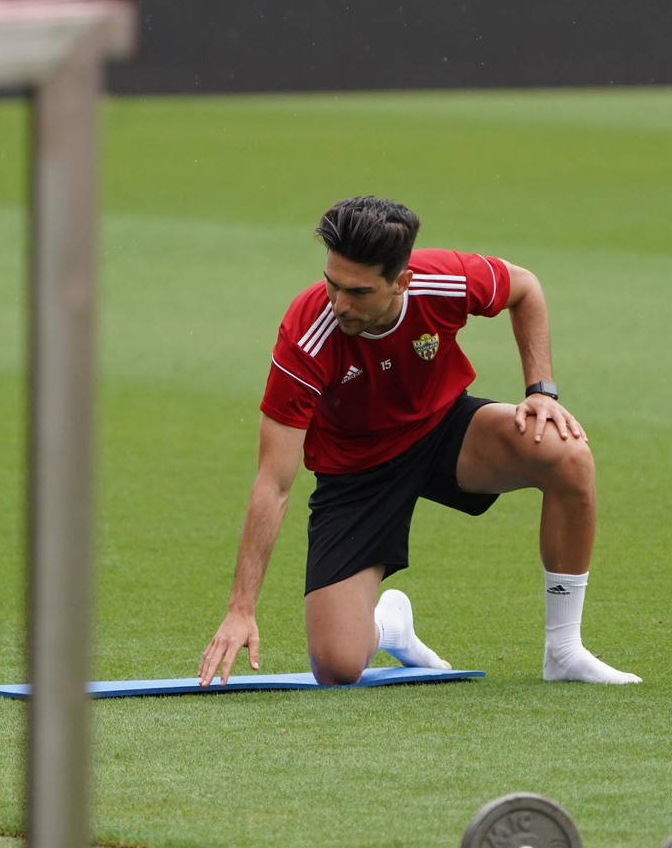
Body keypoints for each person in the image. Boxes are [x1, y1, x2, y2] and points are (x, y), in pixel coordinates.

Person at [198, 195, 640, 688]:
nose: (339, 304)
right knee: (337, 668)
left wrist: (541, 390)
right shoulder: (306, 334)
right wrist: (241, 609)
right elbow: (274, 484)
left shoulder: (443, 279)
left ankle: (563, 651)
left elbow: (526, 288)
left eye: (359, 292)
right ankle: (391, 627)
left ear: (401, 281)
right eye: (332, 284)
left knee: (567, 453)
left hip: (444, 432)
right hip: (355, 472)